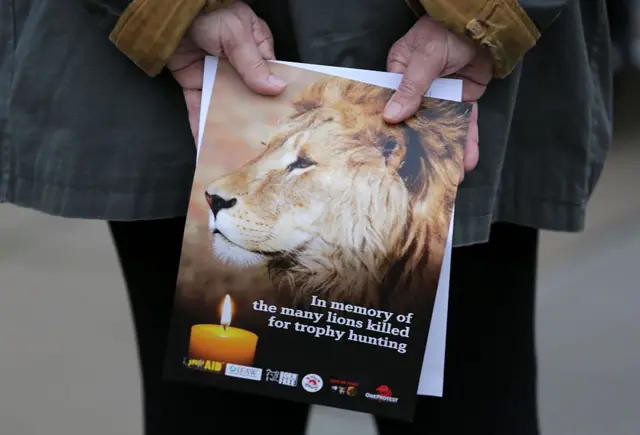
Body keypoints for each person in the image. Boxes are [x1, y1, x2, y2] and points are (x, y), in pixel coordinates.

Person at [0, 0, 612, 434]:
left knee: (471, 402)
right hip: (185, 69)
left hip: (447, 78)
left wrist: (489, 12)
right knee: (208, 407)